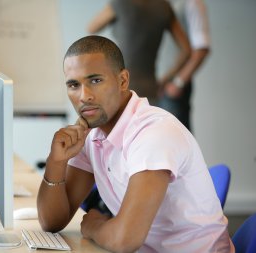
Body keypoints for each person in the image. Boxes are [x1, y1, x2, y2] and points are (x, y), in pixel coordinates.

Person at [37, 35, 234, 252]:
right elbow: (52, 222)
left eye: (95, 80)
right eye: (74, 85)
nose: (84, 96)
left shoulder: (153, 133)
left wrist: (94, 227)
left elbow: (124, 240)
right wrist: (56, 161)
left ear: (122, 80)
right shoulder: (90, 135)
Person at [87, 0, 191, 105]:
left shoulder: (120, 2)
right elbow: (186, 50)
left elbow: (92, 27)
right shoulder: (164, 7)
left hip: (120, 88)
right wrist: (165, 80)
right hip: (149, 90)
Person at [158, 0, 211, 131]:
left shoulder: (191, 3)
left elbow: (201, 48)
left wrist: (177, 83)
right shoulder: (156, 4)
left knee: (175, 142)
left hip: (170, 89)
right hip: (153, 86)